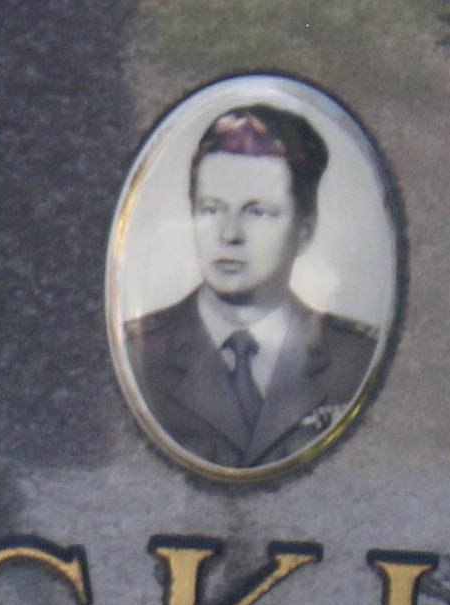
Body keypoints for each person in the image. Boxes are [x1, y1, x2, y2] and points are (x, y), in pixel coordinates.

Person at [122, 104, 380, 473]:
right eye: (211, 209)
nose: (229, 234)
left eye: (257, 212)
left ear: (304, 231)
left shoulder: (354, 358)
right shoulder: (138, 355)